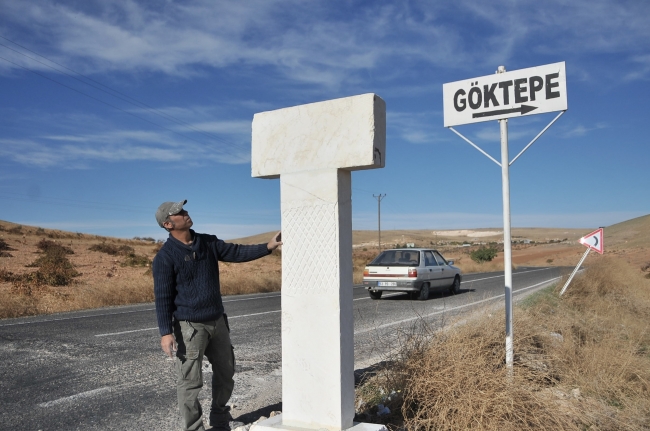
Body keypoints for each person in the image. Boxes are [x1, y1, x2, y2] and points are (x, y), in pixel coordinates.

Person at [153, 199, 282, 431]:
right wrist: (166, 332)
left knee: (226, 373)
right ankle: (194, 428)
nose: (186, 213)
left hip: (217, 321)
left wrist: (268, 246)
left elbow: (236, 252)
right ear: (168, 224)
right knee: (190, 382)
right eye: (179, 213)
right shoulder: (165, 257)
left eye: (184, 210)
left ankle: (220, 420)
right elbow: (162, 297)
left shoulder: (207, 242)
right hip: (190, 327)